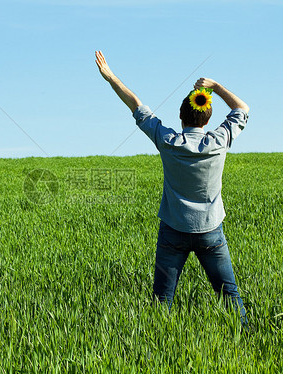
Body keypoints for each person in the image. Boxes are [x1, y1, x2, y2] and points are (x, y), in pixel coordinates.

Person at [95, 50, 249, 326]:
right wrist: (214, 86)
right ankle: (247, 338)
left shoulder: (168, 141)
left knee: (162, 302)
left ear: (181, 117)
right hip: (210, 231)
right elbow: (242, 109)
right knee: (230, 295)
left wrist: (111, 78)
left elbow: (136, 106)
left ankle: (158, 347)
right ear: (208, 118)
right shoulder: (219, 141)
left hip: (173, 231)